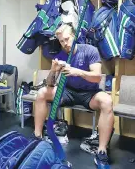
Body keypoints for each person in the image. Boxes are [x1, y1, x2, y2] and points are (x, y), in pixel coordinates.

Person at [33, 24, 114, 168]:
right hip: (68, 92)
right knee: (42, 93)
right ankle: (37, 137)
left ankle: (102, 151)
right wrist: (53, 70)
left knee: (107, 101)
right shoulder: (60, 54)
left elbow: (97, 77)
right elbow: (50, 84)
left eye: (67, 39)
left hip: (89, 94)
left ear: (74, 36)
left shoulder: (90, 50)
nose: (65, 44)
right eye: (61, 41)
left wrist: (78, 72)